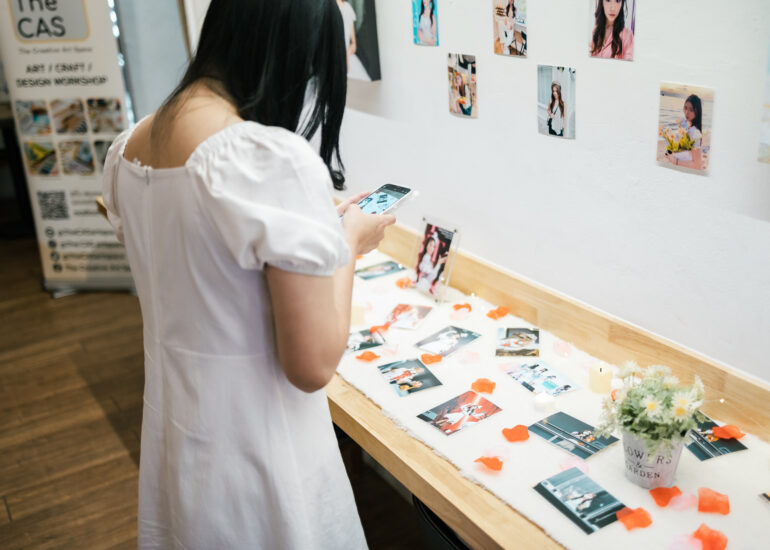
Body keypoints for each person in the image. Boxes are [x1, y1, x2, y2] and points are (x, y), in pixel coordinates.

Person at [101, 1, 395, 548]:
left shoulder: (131, 146)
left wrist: (306, 234)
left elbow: (202, 269)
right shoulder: (264, 157)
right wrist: (347, 243)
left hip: (179, 437)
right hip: (261, 453)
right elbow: (312, 365)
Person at [666, 94, 704, 170]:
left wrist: (675, 161)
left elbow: (697, 165)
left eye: (691, 110)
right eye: (685, 108)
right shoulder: (687, 127)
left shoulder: (694, 132)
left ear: (697, 112)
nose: (686, 112)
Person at [337, 0, 371, 80]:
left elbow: (353, 44)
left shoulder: (347, 8)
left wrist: (347, 55)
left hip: (349, 59)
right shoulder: (326, 10)